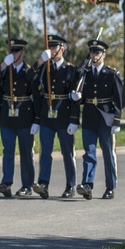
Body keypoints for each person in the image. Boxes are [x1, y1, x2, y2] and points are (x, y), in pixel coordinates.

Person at [31, 35, 80, 199]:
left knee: (68, 153)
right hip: (46, 116)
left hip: (64, 116)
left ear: (62, 49)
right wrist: (39, 61)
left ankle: (70, 185)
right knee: (45, 152)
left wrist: (74, 120)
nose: (52, 51)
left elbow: (74, 98)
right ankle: (43, 184)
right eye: (50, 48)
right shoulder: (44, 67)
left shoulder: (72, 70)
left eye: (54, 48)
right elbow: (29, 79)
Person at [74, 38, 122, 200]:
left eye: (97, 52)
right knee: (89, 153)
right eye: (92, 52)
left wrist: (117, 120)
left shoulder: (111, 74)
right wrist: (77, 97)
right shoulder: (85, 73)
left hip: (106, 117)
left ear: (104, 55)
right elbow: (79, 87)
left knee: (108, 153)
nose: (94, 55)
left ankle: (110, 187)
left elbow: (118, 99)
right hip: (89, 117)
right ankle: (87, 185)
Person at [0, 39, 37, 197]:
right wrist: (4, 64)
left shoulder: (29, 71)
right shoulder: (5, 69)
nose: (14, 53)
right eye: (12, 51)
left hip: (25, 116)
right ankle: (6, 182)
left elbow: (36, 94)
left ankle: (27, 185)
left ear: (23, 53)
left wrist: (36, 120)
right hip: (7, 116)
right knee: (8, 151)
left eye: (17, 51)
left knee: (26, 152)